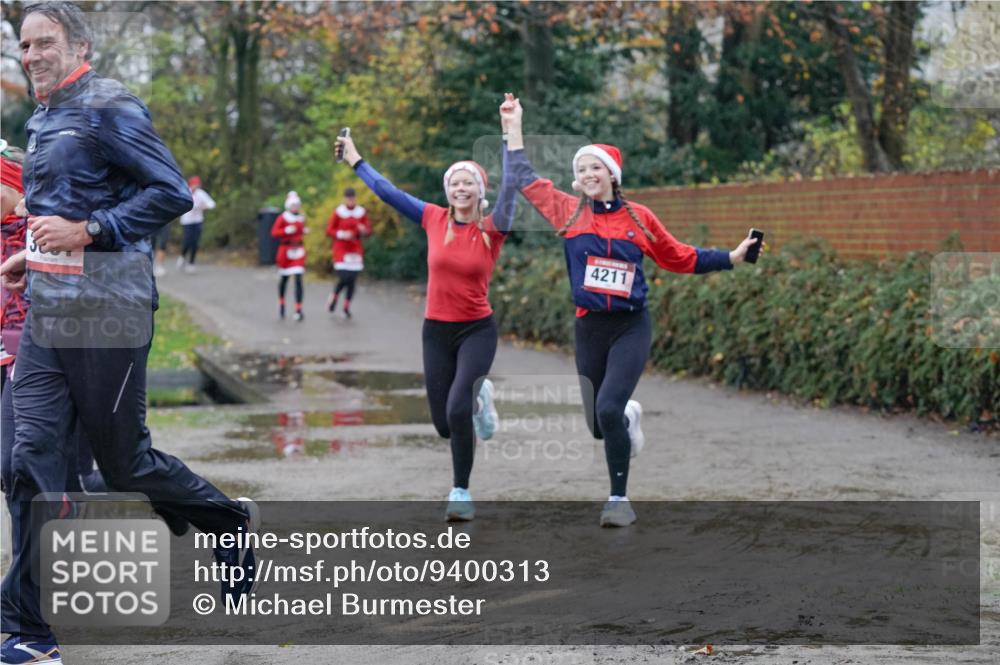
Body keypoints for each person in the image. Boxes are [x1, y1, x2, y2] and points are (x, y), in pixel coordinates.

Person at [1, 5, 258, 662]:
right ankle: (31, 631)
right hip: (48, 312)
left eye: (44, 43)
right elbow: (64, 202)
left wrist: (91, 232)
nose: (31, 55)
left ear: (78, 45)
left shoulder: (110, 104)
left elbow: (168, 191)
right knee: (28, 461)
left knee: (125, 462)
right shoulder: (42, 114)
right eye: (23, 44)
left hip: (110, 312)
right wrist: (34, 252)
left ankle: (228, 520)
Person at [499, 93, 760, 528]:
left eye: (595, 168)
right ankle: (628, 417)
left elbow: (679, 256)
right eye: (581, 170)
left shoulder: (638, 218)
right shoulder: (567, 210)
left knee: (606, 409)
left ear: (612, 175)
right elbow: (523, 175)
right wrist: (513, 125)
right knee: (600, 425)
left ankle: (618, 500)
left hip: (630, 327)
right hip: (589, 328)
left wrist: (730, 257)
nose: (586, 175)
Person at [336, 129, 515, 521]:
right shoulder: (433, 218)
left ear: (480, 191)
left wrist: (510, 132)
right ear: (447, 189)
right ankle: (480, 399)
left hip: (476, 330)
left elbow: (514, 183)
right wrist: (355, 159)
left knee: (456, 409)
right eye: (455, 182)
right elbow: (387, 192)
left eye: (468, 182)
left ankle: (461, 491)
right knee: (444, 426)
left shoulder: (493, 228)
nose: (461, 188)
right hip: (436, 331)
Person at [325, 187, 371, 318]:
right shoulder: (338, 212)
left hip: (355, 248)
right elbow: (329, 230)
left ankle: (346, 307)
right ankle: (334, 296)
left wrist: (363, 230)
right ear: (345, 199)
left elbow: (368, 231)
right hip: (341, 248)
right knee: (344, 277)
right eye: (348, 198)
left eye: (353, 198)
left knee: (352, 279)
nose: (351, 201)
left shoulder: (361, 212)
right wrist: (341, 233)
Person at [271, 190, 307, 321]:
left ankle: (298, 309)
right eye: (293, 205)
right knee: (285, 279)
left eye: (297, 205)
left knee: (298, 278)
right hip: (285, 251)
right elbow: (274, 233)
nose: (295, 207)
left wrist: (305, 231)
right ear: (288, 206)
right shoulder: (283, 217)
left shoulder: (301, 217)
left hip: (298, 250)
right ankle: (281, 302)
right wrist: (285, 230)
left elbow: (302, 230)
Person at [176, 175, 215, 273]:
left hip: (197, 221)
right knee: (187, 241)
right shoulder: (185, 192)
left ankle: (191, 263)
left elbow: (212, 203)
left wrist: (206, 206)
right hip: (187, 221)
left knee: (195, 242)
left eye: (197, 185)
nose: (196, 187)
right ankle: (182, 256)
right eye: (194, 185)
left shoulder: (201, 194)